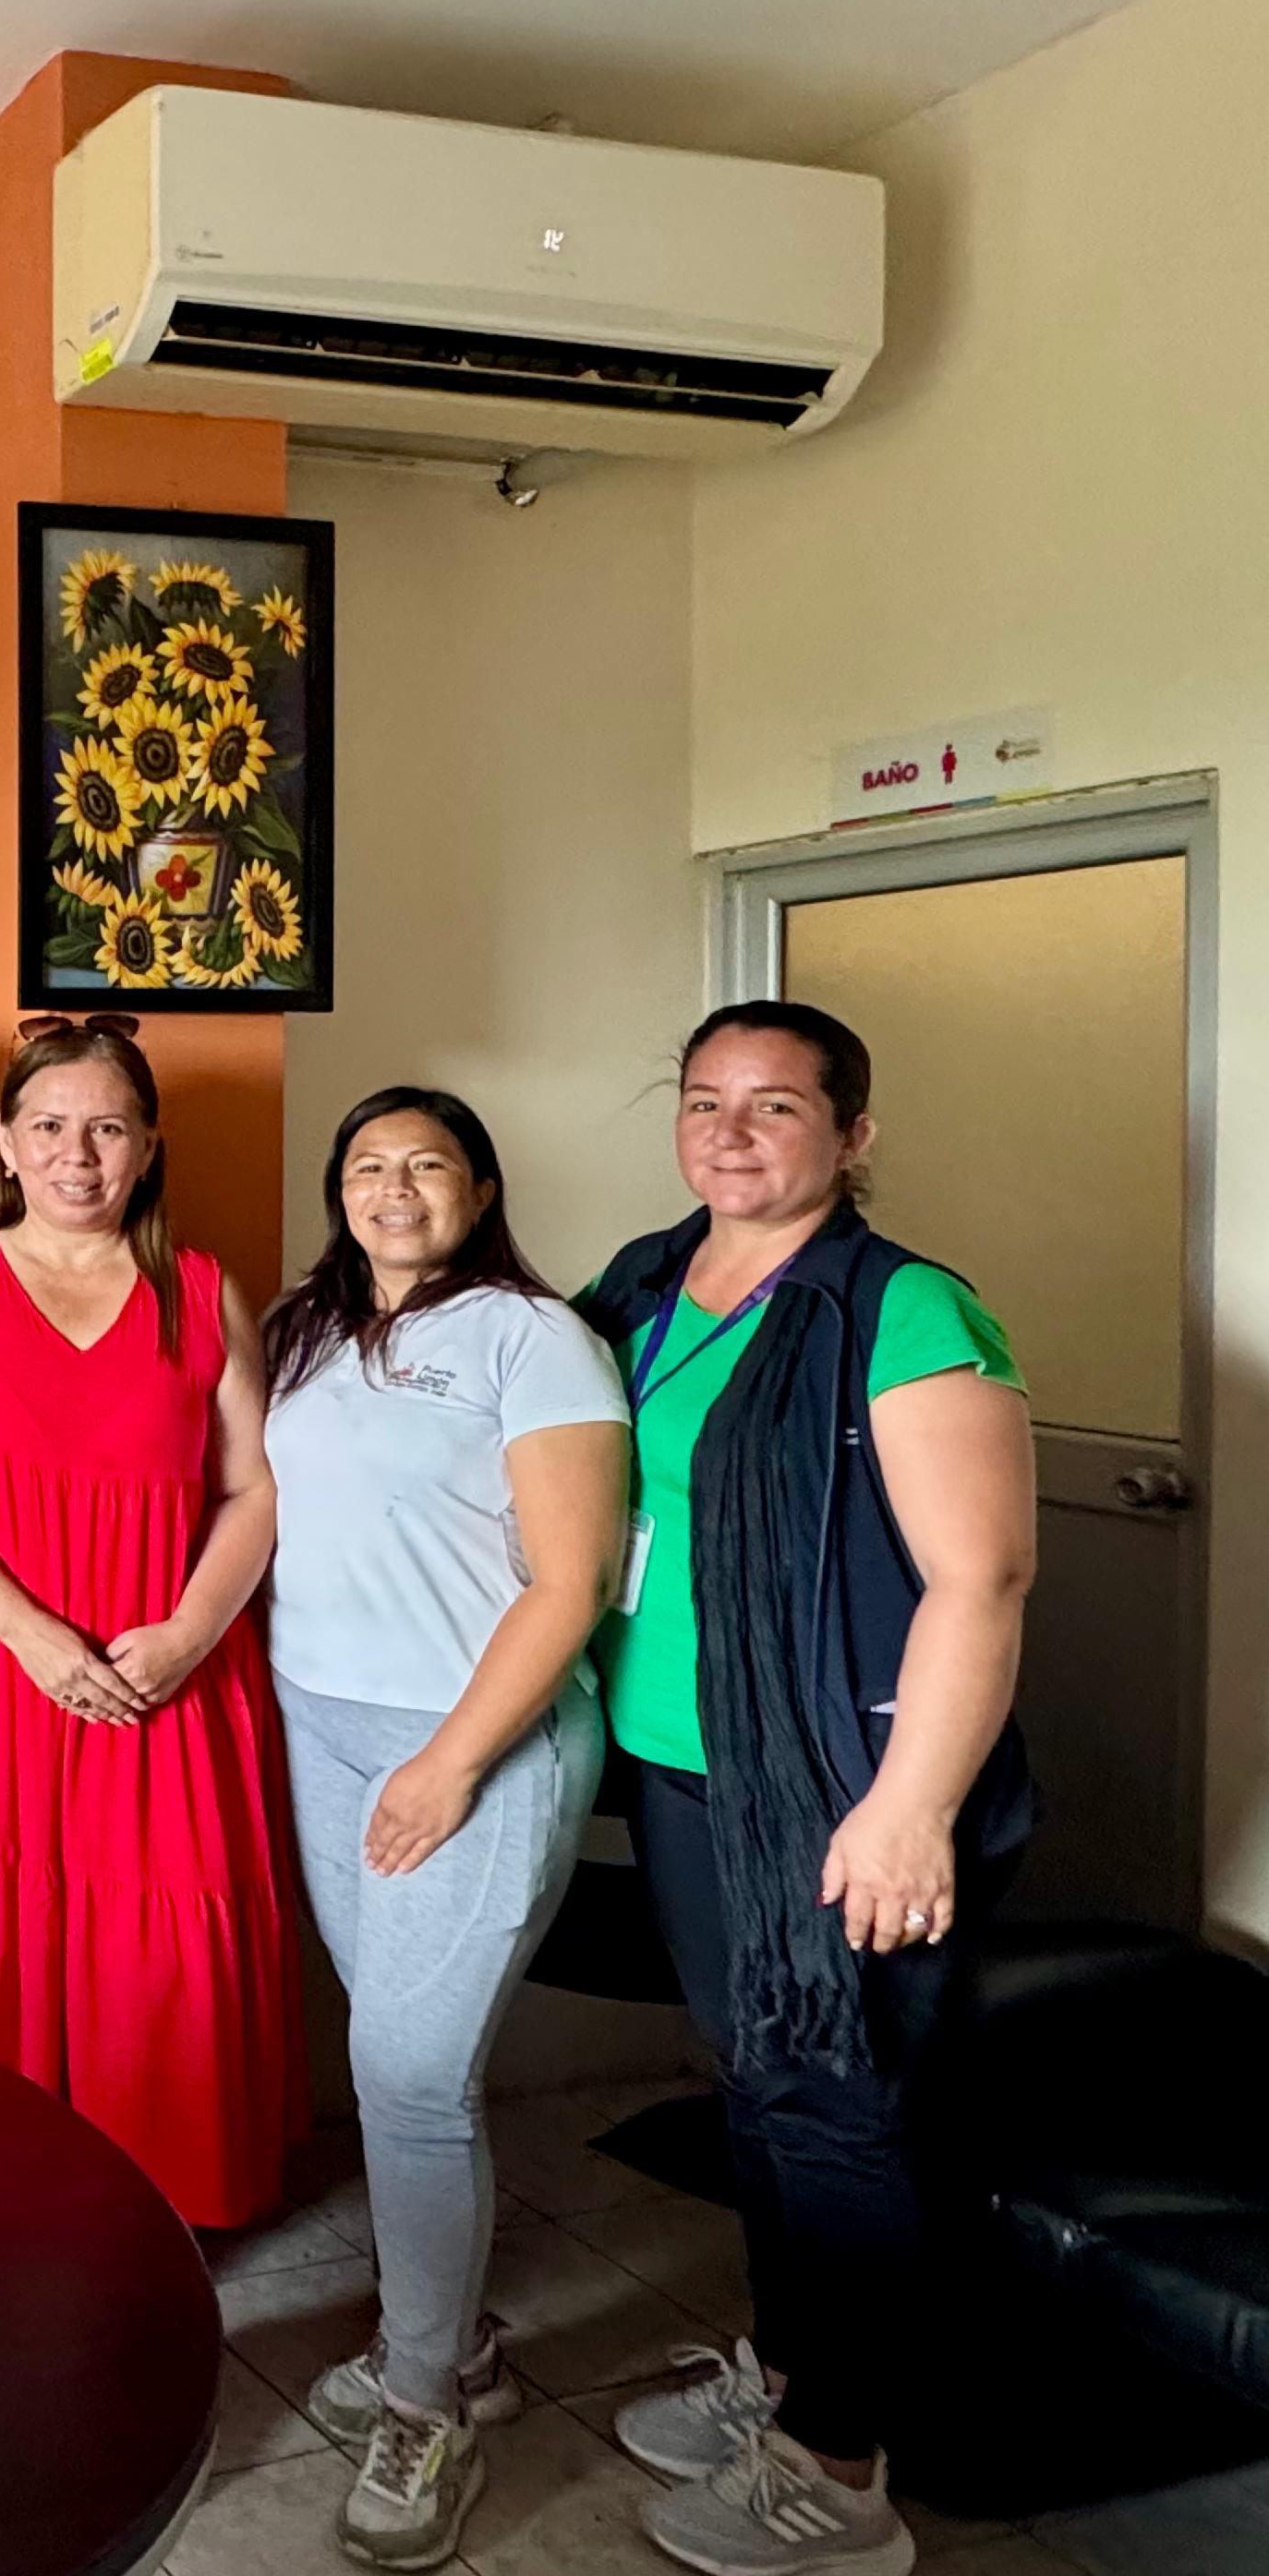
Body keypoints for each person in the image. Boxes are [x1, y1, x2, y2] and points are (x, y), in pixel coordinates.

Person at [576, 1004, 1033, 2576]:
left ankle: (840, 2471)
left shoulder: (899, 1306)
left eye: (774, 1105)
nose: (730, 1131)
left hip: (840, 1782)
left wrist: (908, 1808)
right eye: (703, 1099)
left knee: (834, 2099)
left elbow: (981, 1576)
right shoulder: (643, 1283)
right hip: (688, 1766)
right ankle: (788, 2378)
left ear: (852, 1134)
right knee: (762, 2084)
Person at [260, 1089, 633, 2570]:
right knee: (394, 2055)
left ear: (481, 1188)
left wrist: (451, 1762)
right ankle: (455, 2344)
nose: (395, 1189)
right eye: (368, 1166)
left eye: (428, 1165)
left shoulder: (535, 1339)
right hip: (324, 1726)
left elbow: (572, 1581)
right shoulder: (304, 1328)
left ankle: (426, 2405)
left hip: (471, 1741)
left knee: (411, 2079)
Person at [0, 1014, 303, 2230]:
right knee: (9, 1935)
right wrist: (29, 1635)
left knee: (160, 1946)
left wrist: (188, 1634)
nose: (78, 1153)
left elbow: (255, 1489)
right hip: (8, 1674)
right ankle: (18, 2208)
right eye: (50, 1126)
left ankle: (171, 2209)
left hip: (173, 1677)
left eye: (108, 1128)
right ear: (5, 1142)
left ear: (148, 1146)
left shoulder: (202, 1291)